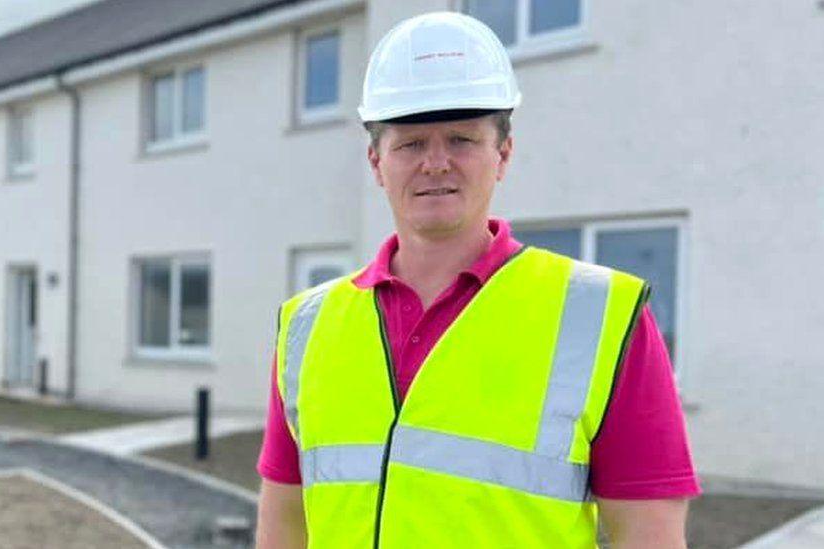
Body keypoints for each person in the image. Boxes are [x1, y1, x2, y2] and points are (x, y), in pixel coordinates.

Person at [256, 11, 699, 548]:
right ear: (376, 162)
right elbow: (284, 524)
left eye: (462, 139)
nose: (436, 163)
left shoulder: (600, 315)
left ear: (502, 155)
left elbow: (649, 537)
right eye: (411, 144)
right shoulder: (308, 324)